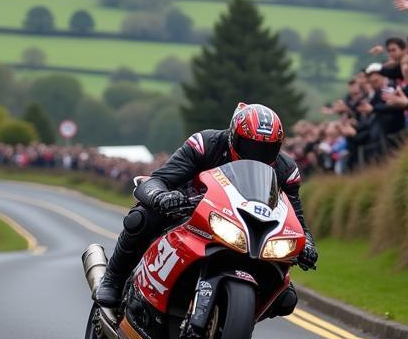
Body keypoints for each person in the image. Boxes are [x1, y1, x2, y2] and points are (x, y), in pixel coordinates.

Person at [93, 103, 317, 310]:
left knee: (285, 298)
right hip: (189, 212)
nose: (256, 154)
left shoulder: (286, 170)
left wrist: (307, 245)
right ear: (232, 136)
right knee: (141, 218)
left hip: (245, 229)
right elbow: (157, 180)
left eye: (265, 149)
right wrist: (163, 197)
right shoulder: (204, 144)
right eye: (249, 145)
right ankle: (113, 279)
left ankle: (234, 318)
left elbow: (295, 219)